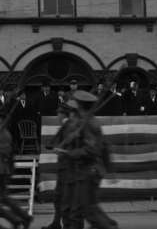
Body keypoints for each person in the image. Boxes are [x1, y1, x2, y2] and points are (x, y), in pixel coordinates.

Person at [55, 90, 118, 229]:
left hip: (88, 171)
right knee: (84, 210)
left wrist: (69, 153)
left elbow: (92, 150)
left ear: (80, 106)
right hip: (86, 171)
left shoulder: (89, 123)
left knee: (87, 211)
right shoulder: (86, 122)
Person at [42, 100, 82, 229]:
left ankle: (68, 226)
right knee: (58, 198)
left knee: (66, 202)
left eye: (58, 114)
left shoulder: (70, 127)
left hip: (69, 169)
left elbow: (74, 148)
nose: (57, 116)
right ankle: (56, 223)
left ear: (63, 115)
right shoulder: (65, 126)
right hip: (63, 168)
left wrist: (63, 151)